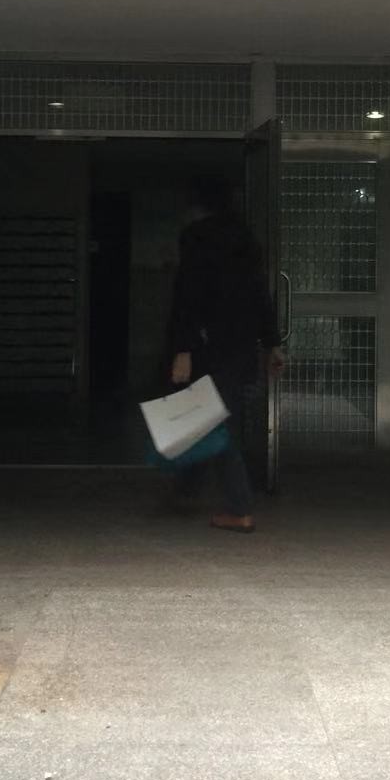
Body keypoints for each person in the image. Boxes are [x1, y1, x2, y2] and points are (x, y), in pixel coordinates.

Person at [168, 174, 284, 533]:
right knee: (209, 415)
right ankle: (188, 485)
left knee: (215, 424)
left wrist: (183, 348)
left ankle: (239, 508)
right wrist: (272, 343)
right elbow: (260, 293)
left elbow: (188, 294)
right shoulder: (246, 240)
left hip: (210, 344)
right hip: (242, 345)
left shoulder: (197, 237)